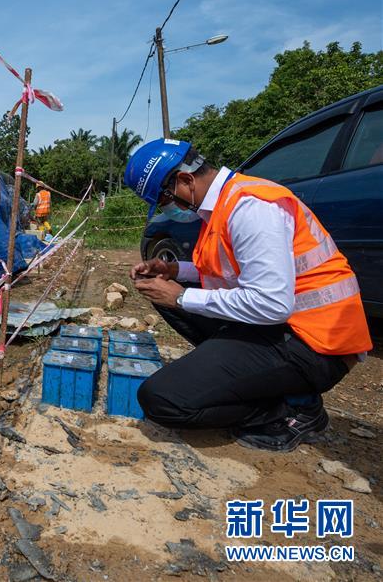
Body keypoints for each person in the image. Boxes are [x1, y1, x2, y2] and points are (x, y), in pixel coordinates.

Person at [124, 138, 372, 452]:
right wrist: (173, 271)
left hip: (317, 345)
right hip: (284, 329)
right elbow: (228, 272)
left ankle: (293, 408)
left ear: (185, 180)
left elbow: (272, 304)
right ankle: (243, 373)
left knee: (161, 399)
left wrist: (181, 296)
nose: (168, 209)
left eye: (165, 199)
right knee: (166, 298)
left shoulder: (251, 208)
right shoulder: (222, 206)